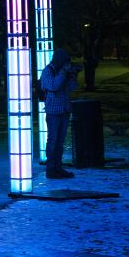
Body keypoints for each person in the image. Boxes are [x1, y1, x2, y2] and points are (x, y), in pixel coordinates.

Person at [40, 49, 81, 179]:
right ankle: (51, 169)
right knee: (53, 141)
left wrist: (73, 75)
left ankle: (59, 167)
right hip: (53, 111)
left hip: (64, 110)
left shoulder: (64, 72)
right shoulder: (48, 71)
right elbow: (53, 86)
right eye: (65, 62)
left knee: (60, 141)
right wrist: (63, 72)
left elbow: (73, 87)